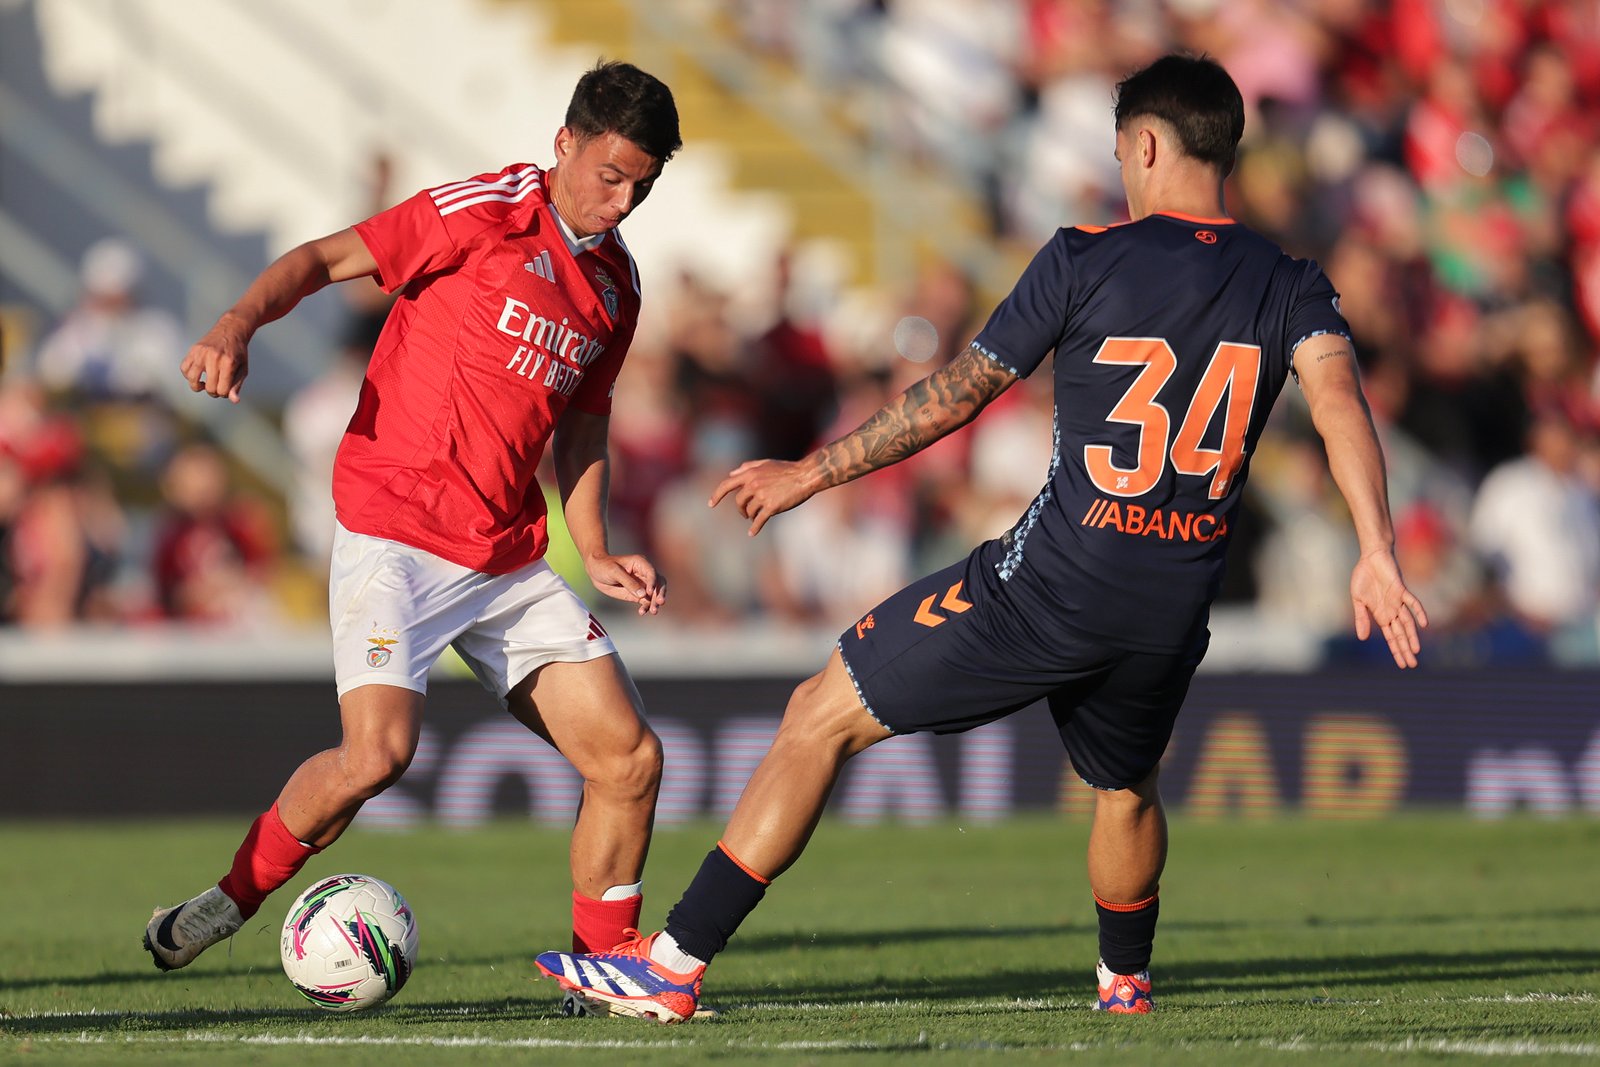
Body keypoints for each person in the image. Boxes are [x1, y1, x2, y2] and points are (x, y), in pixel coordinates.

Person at [533, 54, 1427, 1021]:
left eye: (1125, 150)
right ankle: (1124, 983)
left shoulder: (1086, 257)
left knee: (817, 716)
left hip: (1046, 588)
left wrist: (811, 470)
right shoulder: (1291, 281)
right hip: (1170, 607)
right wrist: (1375, 550)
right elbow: (1340, 403)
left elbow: (957, 395)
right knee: (1126, 788)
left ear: (1150, 145)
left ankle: (670, 964)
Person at [144, 61, 681, 990]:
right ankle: (227, 899)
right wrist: (236, 323)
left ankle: (608, 970)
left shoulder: (616, 287)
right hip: (394, 532)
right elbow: (320, 260)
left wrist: (591, 546)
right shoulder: (478, 211)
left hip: (503, 555)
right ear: (565, 144)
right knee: (378, 756)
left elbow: (584, 423)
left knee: (630, 758)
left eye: (643, 185)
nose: (623, 200)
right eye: (610, 174)